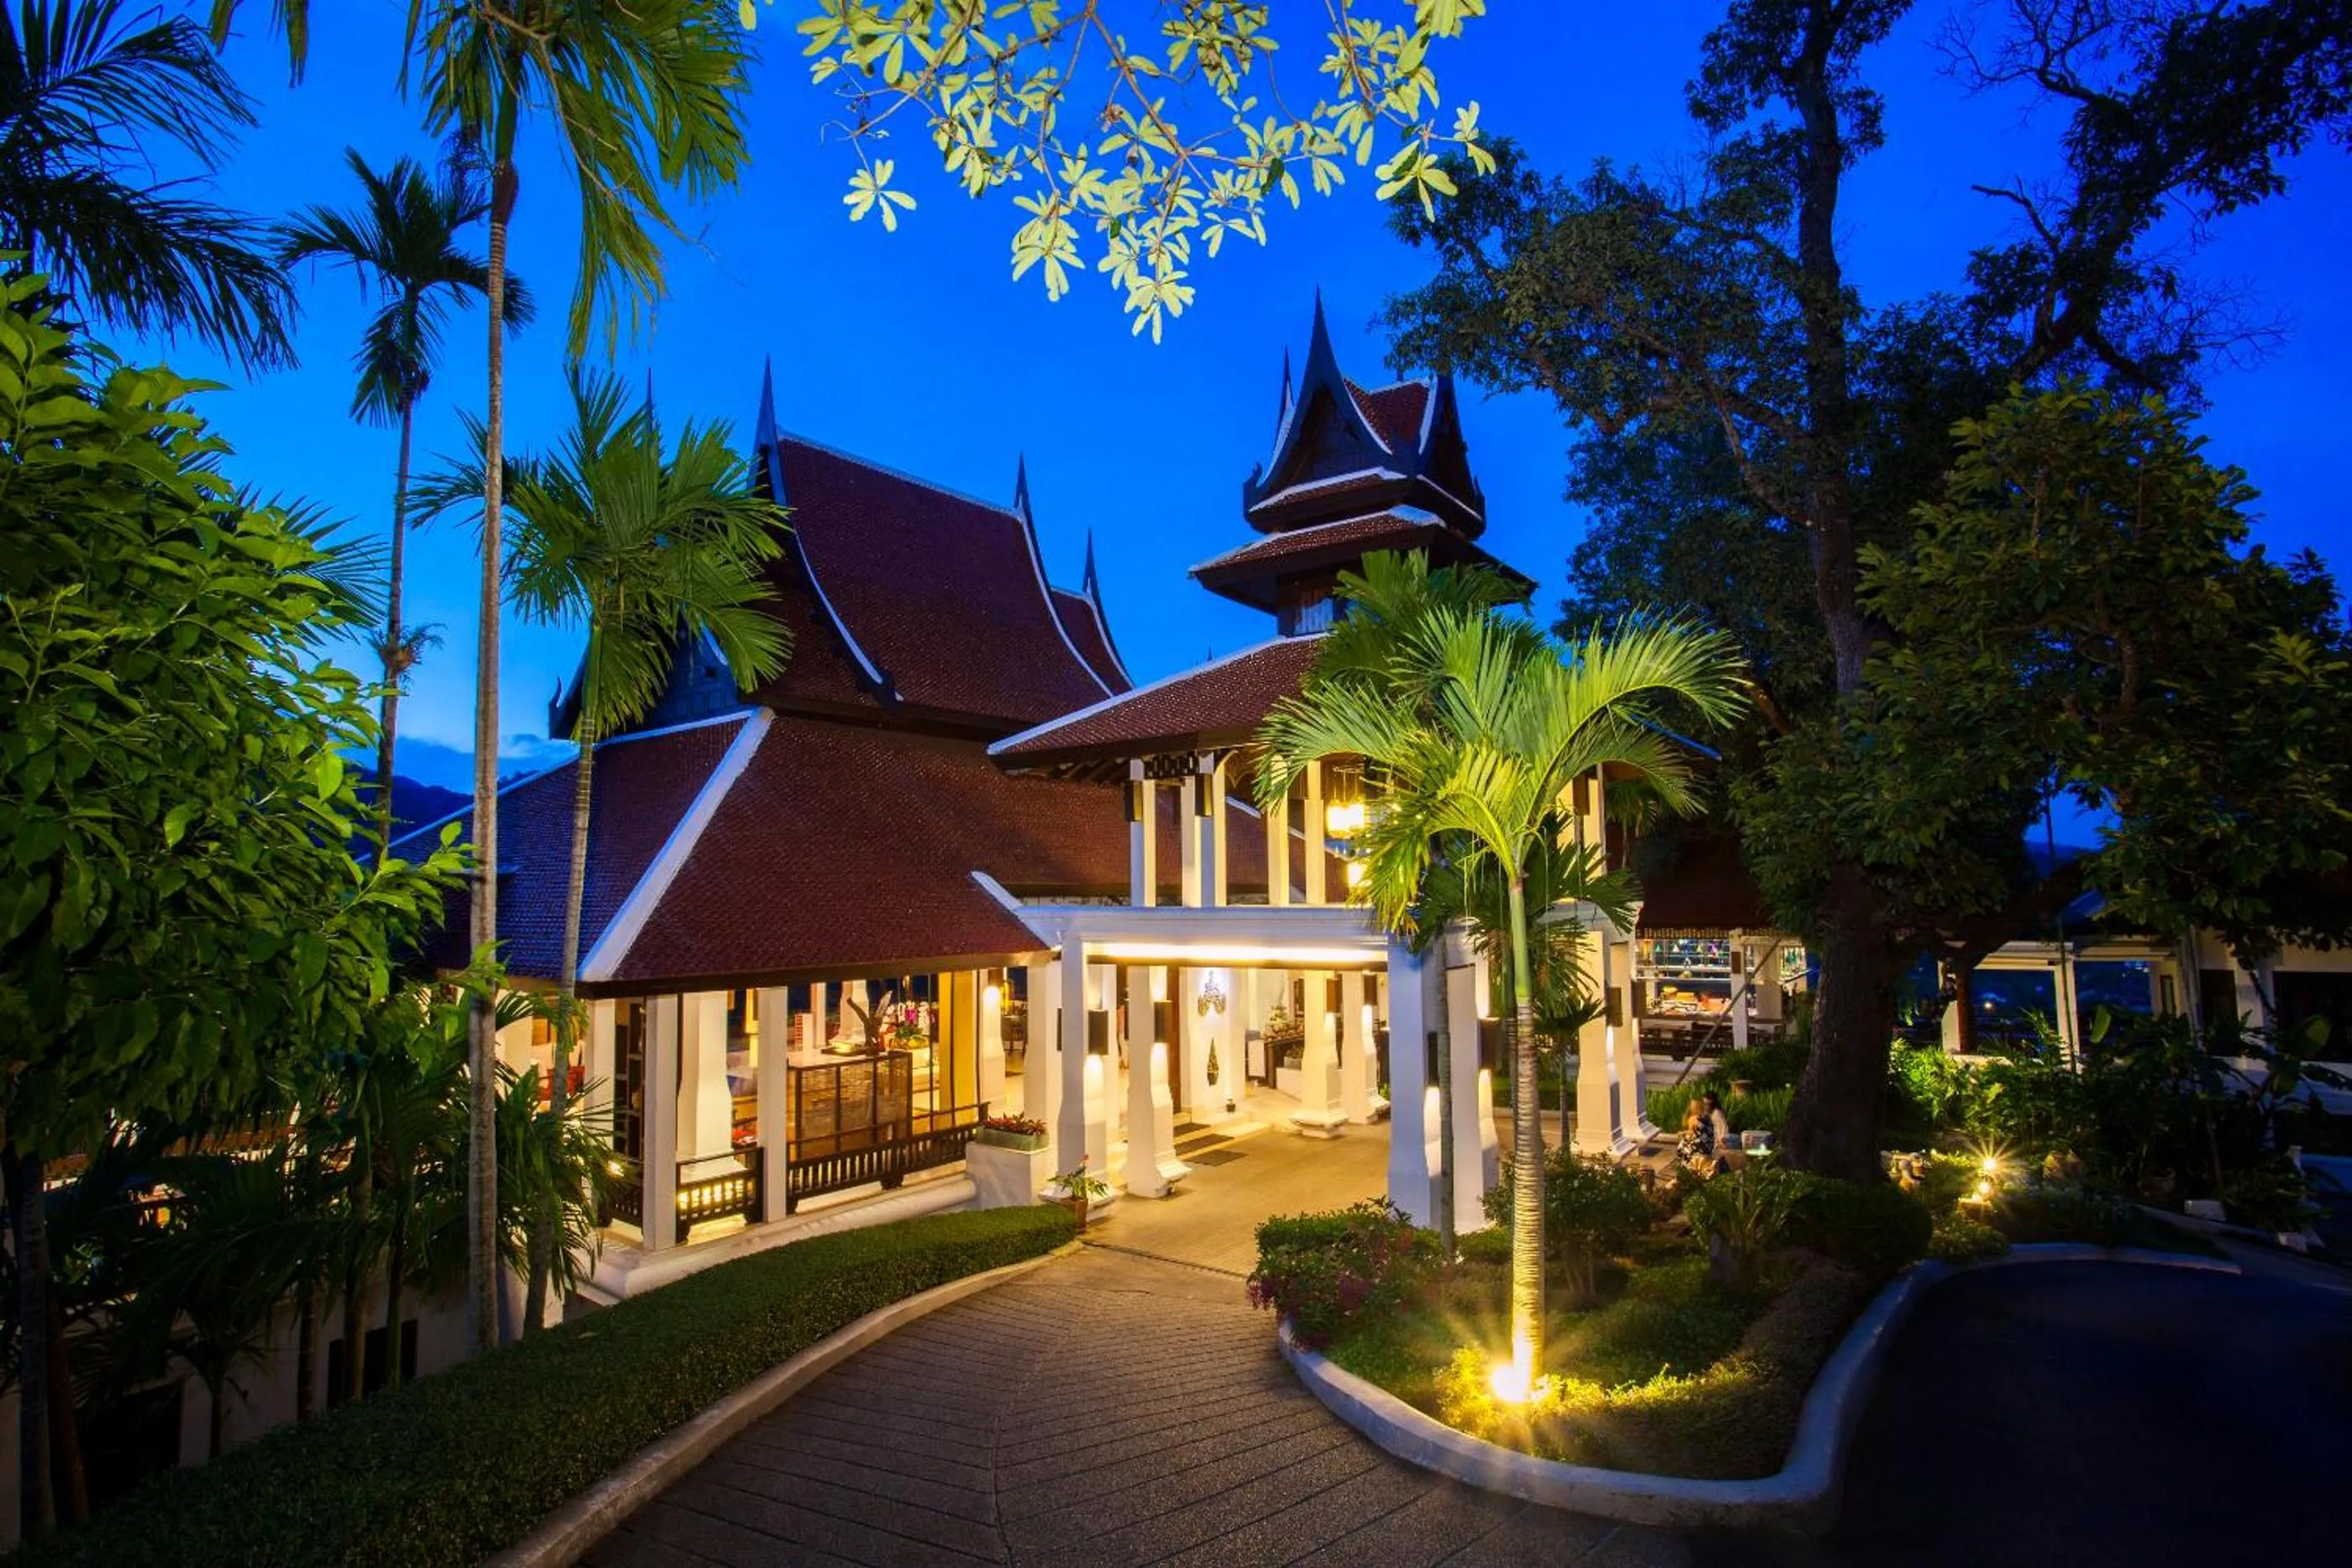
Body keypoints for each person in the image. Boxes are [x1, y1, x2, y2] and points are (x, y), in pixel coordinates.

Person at [1702, 1091, 1743, 1170]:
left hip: (1719, 1140)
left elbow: (1724, 1128)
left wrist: (1721, 1141)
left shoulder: (1717, 1113)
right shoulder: (1709, 1113)